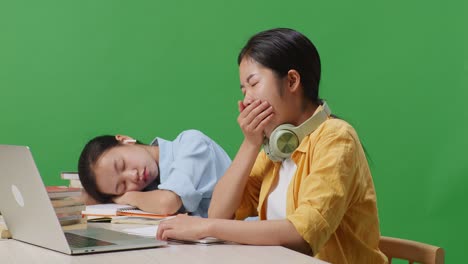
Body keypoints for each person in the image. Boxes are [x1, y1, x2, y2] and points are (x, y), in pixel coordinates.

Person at [156, 28, 388, 263]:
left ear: (292, 81)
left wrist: (206, 228)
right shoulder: (278, 147)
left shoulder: (337, 138)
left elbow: (302, 236)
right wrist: (250, 144)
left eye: (254, 83)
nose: (246, 100)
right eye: (243, 90)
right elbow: (220, 212)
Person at [77, 129, 231, 217]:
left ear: (125, 139)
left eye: (122, 165)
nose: (133, 177)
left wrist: (125, 196)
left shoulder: (191, 143)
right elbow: (87, 199)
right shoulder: (150, 191)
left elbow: (168, 203)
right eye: (122, 186)